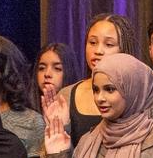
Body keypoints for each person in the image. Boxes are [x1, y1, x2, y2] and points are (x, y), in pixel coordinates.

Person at [55, 14, 137, 143]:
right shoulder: (66, 95)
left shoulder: (139, 95)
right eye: (92, 43)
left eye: (109, 44)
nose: (98, 50)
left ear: (124, 50)